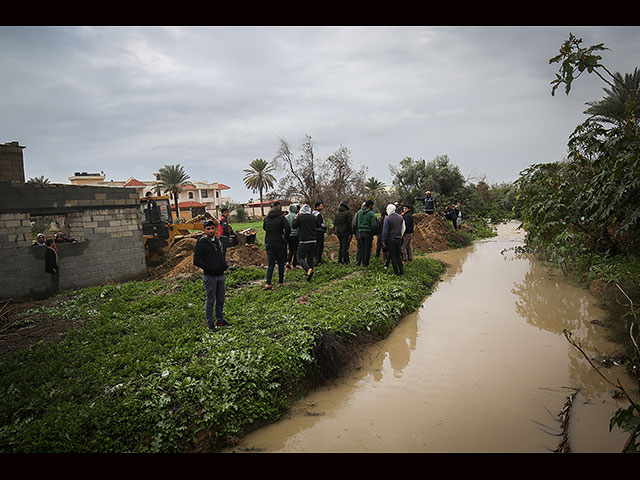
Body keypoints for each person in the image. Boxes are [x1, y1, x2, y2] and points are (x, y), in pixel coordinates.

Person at [193, 219, 230, 332]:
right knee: (210, 300)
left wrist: (224, 265)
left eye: (212, 228)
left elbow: (220, 256)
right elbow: (197, 261)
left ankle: (220, 321)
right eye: (208, 229)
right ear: (204, 230)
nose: (211, 231)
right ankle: (210, 324)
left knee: (221, 299)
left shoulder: (217, 242)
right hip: (210, 277)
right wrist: (210, 268)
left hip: (220, 275)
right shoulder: (201, 244)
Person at [263, 201, 291, 289]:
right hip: (279, 242)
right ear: (278, 208)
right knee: (280, 263)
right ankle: (280, 282)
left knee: (271, 264)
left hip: (268, 242)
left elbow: (264, 228)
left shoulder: (266, 218)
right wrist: (285, 237)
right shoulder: (281, 218)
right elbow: (288, 228)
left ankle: (268, 283)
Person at [292, 204, 321, 282]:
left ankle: (307, 269)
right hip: (313, 240)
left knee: (300, 257)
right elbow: (318, 226)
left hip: (304, 241)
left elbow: (294, 226)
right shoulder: (313, 217)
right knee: (310, 258)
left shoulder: (300, 218)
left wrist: (296, 217)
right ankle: (310, 274)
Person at [382, 204, 405, 276]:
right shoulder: (400, 217)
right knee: (398, 256)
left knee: (393, 256)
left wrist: (383, 240)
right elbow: (403, 228)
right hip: (398, 239)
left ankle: (396, 272)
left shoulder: (387, 219)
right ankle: (401, 272)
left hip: (390, 240)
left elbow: (385, 231)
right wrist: (400, 236)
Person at [353, 200, 378, 267]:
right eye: (372, 205)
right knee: (367, 248)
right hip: (368, 233)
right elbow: (374, 225)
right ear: (370, 206)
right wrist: (374, 231)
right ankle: (365, 264)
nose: (373, 207)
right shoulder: (371, 213)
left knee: (360, 248)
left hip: (360, 232)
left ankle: (358, 262)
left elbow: (355, 224)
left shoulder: (359, 212)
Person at [285, 204, 300, 269]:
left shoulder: (286, 217)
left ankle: (288, 262)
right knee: (296, 250)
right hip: (296, 236)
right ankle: (294, 265)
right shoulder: (296, 216)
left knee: (290, 249)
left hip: (289, 236)